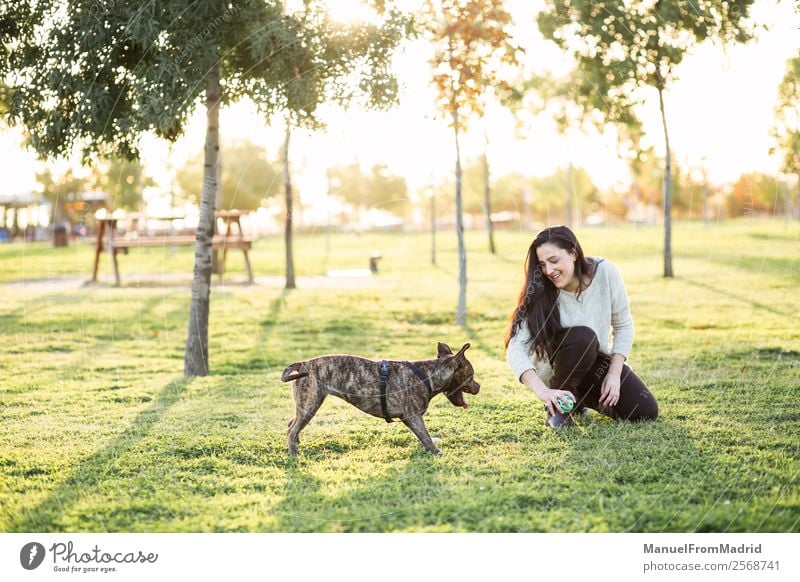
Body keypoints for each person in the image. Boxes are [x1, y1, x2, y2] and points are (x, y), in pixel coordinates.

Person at [505, 225, 658, 427]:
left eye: (554, 261)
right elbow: (515, 347)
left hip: (595, 362)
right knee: (582, 338)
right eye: (542, 264)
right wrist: (543, 392)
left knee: (645, 410)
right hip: (557, 368)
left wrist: (613, 374)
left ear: (573, 253)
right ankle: (558, 408)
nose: (548, 271)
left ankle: (576, 399)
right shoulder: (540, 290)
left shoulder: (606, 272)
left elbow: (623, 325)